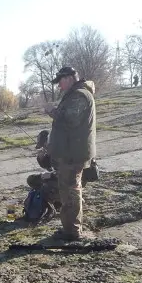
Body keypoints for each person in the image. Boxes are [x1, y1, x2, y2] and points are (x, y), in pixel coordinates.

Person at [46, 67, 96, 241]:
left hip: (74, 153)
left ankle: (73, 231)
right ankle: (69, 228)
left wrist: (52, 111)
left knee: (72, 192)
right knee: (67, 191)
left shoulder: (80, 95)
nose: (59, 86)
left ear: (68, 78)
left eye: (60, 81)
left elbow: (70, 120)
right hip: (69, 152)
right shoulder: (76, 94)